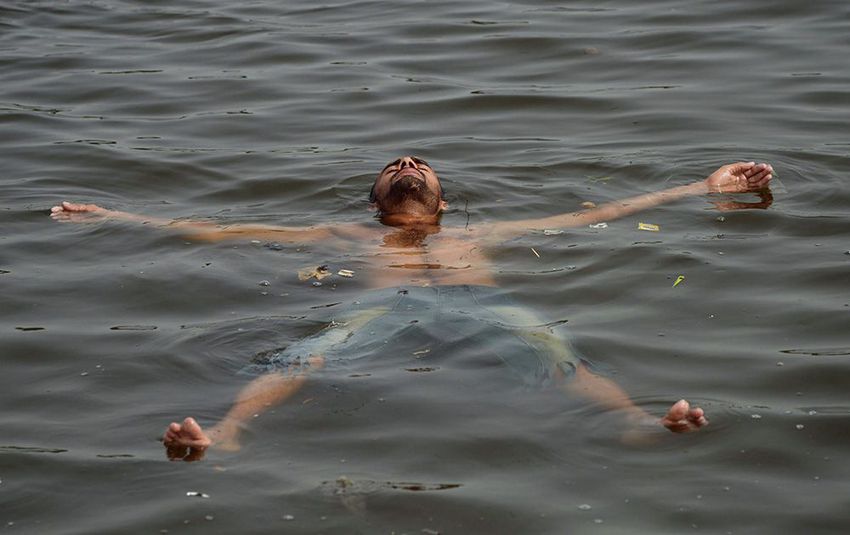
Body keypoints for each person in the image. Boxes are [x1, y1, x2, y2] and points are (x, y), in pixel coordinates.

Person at [51, 156, 773, 461]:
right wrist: (113, 215)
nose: (405, 162)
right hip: (383, 308)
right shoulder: (340, 235)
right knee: (307, 352)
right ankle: (228, 433)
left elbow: (604, 214)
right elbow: (216, 232)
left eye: (418, 164)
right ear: (374, 202)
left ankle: (639, 423)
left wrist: (700, 188)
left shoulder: (481, 233)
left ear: (443, 199)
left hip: (484, 303)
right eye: (393, 166)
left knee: (555, 347)